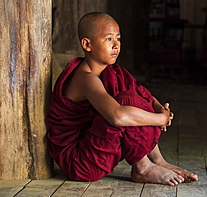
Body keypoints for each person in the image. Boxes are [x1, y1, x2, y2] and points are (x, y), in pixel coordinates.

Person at [47, 12, 198, 186]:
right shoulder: (85, 78)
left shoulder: (111, 73)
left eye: (118, 39)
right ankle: (143, 168)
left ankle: (158, 161)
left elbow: (142, 94)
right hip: (80, 161)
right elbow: (117, 116)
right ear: (87, 44)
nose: (116, 45)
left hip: (93, 146)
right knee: (126, 104)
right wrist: (160, 119)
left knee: (133, 97)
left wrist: (159, 108)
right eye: (108, 39)